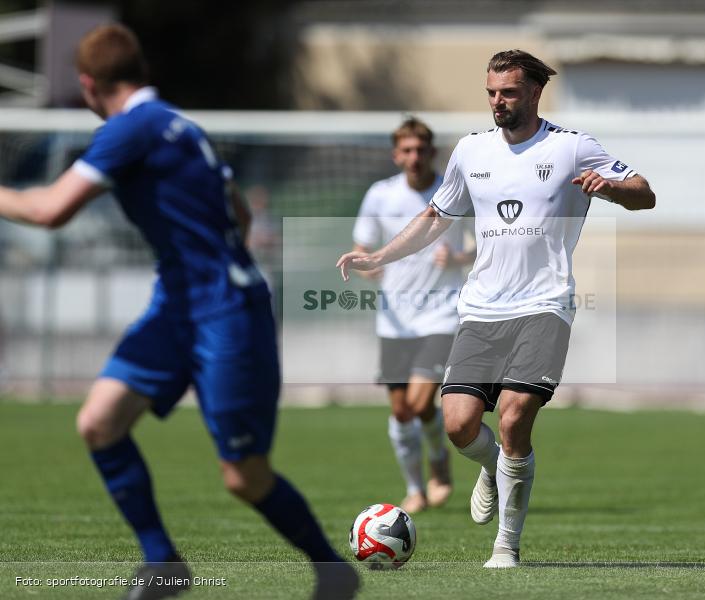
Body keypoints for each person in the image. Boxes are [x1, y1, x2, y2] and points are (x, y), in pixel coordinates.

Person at [0, 24, 358, 599]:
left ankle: (332, 569)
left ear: (89, 85)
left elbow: (48, 211)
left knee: (243, 476)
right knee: (98, 421)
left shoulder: (129, 129)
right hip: (181, 303)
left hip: (225, 313)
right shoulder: (180, 125)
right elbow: (237, 213)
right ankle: (163, 563)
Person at [337, 49, 655, 568]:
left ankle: (505, 545)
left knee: (512, 421)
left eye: (508, 92)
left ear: (534, 91)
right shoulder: (471, 151)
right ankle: (493, 467)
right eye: (491, 92)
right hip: (481, 308)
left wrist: (613, 188)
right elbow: (436, 216)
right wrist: (379, 256)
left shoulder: (573, 148)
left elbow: (645, 193)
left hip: (544, 305)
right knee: (459, 426)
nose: (497, 102)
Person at [352, 118, 473, 515]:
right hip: (395, 320)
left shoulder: (452, 192)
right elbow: (364, 246)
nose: (414, 157)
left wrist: (456, 257)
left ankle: (439, 463)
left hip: (440, 315)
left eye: (420, 150)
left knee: (422, 401)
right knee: (402, 410)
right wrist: (368, 266)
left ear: (432, 153)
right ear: (396, 155)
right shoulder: (379, 195)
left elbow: (485, 245)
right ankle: (414, 489)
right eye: (406, 150)